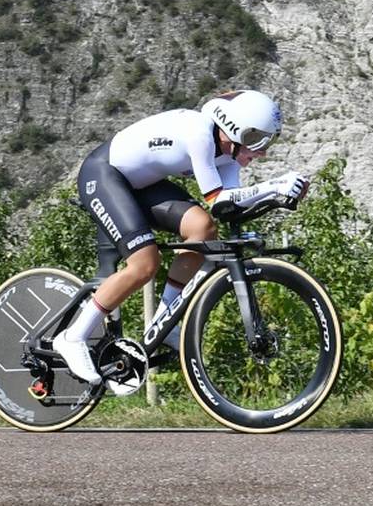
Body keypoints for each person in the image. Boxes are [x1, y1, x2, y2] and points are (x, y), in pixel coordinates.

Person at [55, 89, 310, 385]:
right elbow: (217, 199)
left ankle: (164, 321)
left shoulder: (229, 155)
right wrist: (274, 185)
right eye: (256, 140)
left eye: (268, 142)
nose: (262, 151)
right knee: (145, 263)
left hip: (141, 186)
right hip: (103, 175)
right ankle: (72, 337)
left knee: (202, 228)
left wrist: (278, 197)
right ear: (233, 129)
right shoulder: (199, 134)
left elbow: (228, 207)